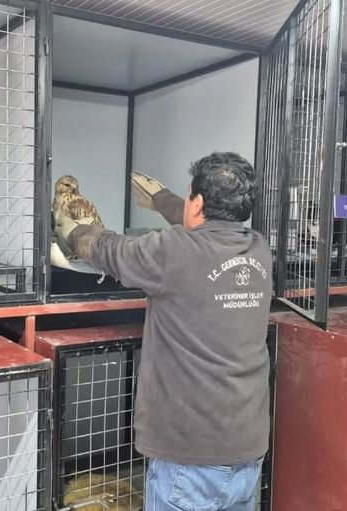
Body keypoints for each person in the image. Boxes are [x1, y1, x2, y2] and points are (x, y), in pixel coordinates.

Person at [54, 151, 273, 511]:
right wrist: (161, 199)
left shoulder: (173, 250)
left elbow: (111, 250)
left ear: (197, 203)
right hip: (247, 455)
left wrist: (73, 230)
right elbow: (210, 227)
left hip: (188, 462)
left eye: (189, 197)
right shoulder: (259, 250)